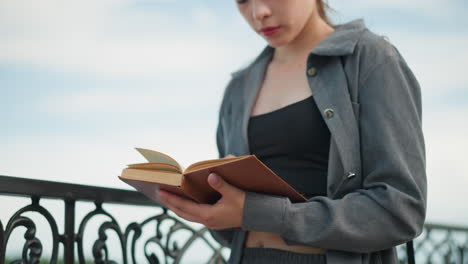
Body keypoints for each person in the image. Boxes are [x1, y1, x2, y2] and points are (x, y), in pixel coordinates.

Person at [156, 0, 427, 263]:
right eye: (242, 0)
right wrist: (205, 206)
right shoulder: (239, 88)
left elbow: (401, 211)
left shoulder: (369, 58)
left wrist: (263, 213)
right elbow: (234, 226)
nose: (258, 12)